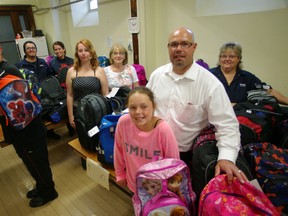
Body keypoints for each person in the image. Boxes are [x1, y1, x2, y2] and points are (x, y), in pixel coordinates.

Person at [146, 27, 248, 185]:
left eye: (185, 44)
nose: (178, 49)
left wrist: (226, 158)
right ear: (168, 48)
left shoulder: (210, 84)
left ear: (194, 47)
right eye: (173, 44)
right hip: (153, 150)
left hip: (184, 157)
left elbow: (227, 125)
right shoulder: (157, 75)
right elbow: (145, 107)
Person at [0, 46, 58, 208]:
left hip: (28, 128)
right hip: (15, 128)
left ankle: (49, 191)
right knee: (30, 161)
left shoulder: (9, 71)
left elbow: (23, 106)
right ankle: (42, 186)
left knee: (37, 161)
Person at [114, 86, 180, 193]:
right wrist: (120, 173)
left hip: (158, 189)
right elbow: (119, 150)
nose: (138, 112)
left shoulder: (163, 130)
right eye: (133, 107)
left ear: (153, 106)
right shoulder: (123, 123)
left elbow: (173, 164)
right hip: (134, 184)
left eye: (144, 107)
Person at [209, 42, 288, 106]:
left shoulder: (247, 77)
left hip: (241, 117)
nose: (227, 59)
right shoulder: (209, 75)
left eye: (231, 56)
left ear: (238, 59)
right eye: (224, 56)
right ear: (219, 58)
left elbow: (269, 90)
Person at [15, 40, 61, 139]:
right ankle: (39, 135)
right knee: (36, 116)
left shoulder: (42, 62)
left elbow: (50, 74)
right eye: (28, 48)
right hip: (30, 97)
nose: (31, 50)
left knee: (48, 111)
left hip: (45, 93)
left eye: (33, 48)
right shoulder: (19, 65)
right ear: (25, 51)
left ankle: (50, 132)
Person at [66, 39, 109, 129]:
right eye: (80, 51)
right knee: (83, 140)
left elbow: (105, 95)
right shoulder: (71, 71)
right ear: (77, 53)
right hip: (79, 112)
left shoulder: (99, 71)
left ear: (91, 52)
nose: (83, 53)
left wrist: (106, 116)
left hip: (96, 111)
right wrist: (71, 116)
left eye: (86, 50)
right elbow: (70, 95)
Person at [49, 41, 75, 136]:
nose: (57, 51)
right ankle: (70, 128)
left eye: (59, 48)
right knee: (66, 107)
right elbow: (51, 77)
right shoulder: (52, 63)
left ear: (63, 49)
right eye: (55, 49)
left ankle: (74, 127)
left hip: (72, 87)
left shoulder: (71, 61)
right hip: (61, 90)